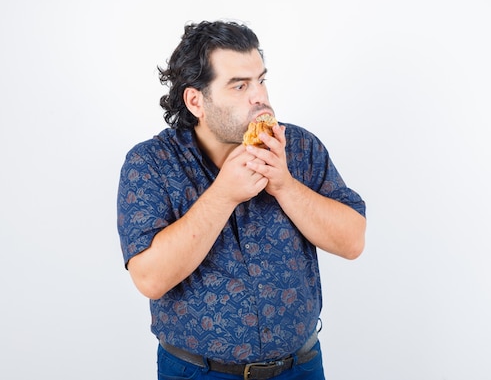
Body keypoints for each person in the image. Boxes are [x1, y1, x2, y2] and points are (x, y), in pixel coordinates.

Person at [117, 20, 366, 380]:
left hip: (301, 367)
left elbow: (353, 241)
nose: (260, 97)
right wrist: (223, 194)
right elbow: (150, 279)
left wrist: (284, 185)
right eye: (240, 86)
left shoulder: (298, 147)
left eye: (261, 80)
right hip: (198, 372)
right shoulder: (150, 163)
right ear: (196, 100)